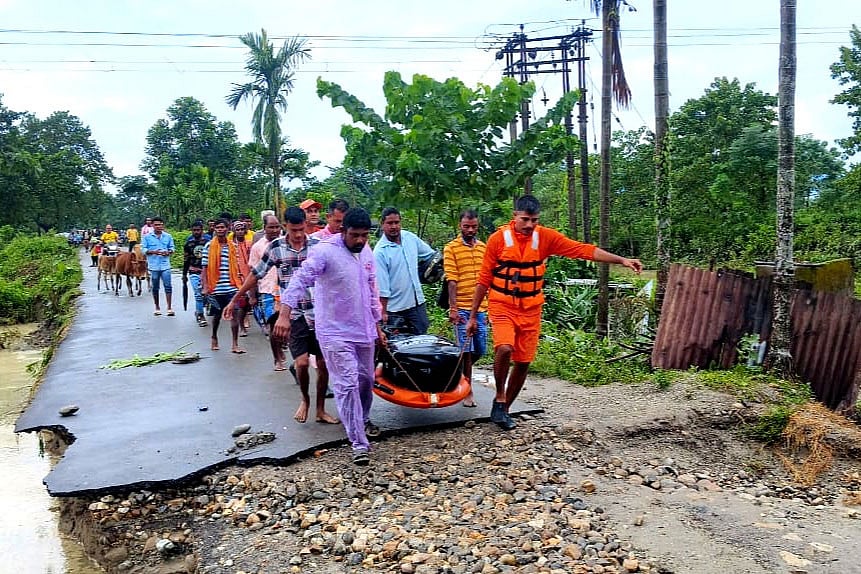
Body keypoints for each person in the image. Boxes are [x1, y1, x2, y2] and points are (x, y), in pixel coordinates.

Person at [466, 195, 643, 430]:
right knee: (504, 347)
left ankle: (504, 410)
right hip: (502, 305)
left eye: (534, 220)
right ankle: (499, 396)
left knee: (523, 362)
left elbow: (582, 250)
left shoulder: (545, 237)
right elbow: (484, 279)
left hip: (531, 308)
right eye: (525, 219)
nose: (530, 225)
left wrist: (621, 260)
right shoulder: (498, 239)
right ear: (515, 217)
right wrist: (472, 316)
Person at [278, 207, 386, 466]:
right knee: (347, 383)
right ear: (342, 231)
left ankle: (362, 418)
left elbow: (372, 289)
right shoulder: (325, 251)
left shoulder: (367, 252)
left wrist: (378, 324)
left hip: (364, 330)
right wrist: (284, 313)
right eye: (354, 235)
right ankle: (358, 443)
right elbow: (300, 279)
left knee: (365, 380)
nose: (360, 240)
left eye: (364, 235)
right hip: (334, 332)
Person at [227, 208, 338, 426]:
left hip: (320, 314)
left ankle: (320, 409)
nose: (298, 234)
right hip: (293, 315)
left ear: (306, 225)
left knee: (324, 365)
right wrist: (235, 299)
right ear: (285, 226)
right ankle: (305, 399)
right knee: (303, 363)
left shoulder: (318, 247)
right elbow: (256, 274)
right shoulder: (276, 248)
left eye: (301, 229)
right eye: (294, 229)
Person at [443, 209, 487, 408]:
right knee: (467, 351)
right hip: (461, 307)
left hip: (481, 308)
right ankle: (467, 390)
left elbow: (488, 279)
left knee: (480, 348)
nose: (470, 230)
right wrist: (453, 308)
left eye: (474, 226)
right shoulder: (451, 248)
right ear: (460, 226)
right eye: (466, 226)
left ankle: (456, 370)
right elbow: (451, 280)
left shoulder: (483, 248)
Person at [373, 207, 436, 335]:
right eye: (390, 223)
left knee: (422, 341)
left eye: (396, 222)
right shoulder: (380, 252)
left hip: (416, 303)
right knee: (398, 347)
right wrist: (383, 312)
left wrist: (427, 273)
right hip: (394, 309)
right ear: (382, 224)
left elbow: (430, 255)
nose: (394, 226)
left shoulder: (409, 238)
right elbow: (383, 288)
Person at [239, 214, 287, 370]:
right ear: (264, 228)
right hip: (267, 291)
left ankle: (284, 349)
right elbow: (253, 272)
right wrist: (252, 295)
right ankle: (277, 357)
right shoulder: (258, 247)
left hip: (286, 290)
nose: (274, 230)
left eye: (277, 226)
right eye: (271, 227)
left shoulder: (288, 243)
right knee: (273, 326)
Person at [201, 219, 245, 353]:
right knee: (217, 315)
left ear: (227, 229)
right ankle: (214, 336)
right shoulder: (209, 246)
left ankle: (235, 344)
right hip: (216, 287)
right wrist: (205, 286)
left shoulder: (233, 246)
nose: (220, 230)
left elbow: (237, 266)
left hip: (232, 285)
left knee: (235, 314)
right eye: (217, 227)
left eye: (222, 227)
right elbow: (204, 267)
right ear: (214, 229)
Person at [140, 216, 176, 316]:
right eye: (156, 225)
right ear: (152, 226)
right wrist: (152, 252)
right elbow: (143, 249)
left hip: (165, 265)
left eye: (160, 224)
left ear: (163, 225)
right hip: (153, 265)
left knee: (168, 286)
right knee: (155, 287)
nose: (158, 226)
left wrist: (168, 252)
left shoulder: (168, 236)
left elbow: (172, 248)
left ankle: (169, 307)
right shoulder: (147, 237)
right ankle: (157, 307)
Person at [183, 220, 211, 327]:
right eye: (194, 230)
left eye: (198, 230)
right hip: (194, 271)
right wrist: (184, 275)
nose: (196, 232)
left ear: (202, 230)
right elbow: (186, 260)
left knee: (206, 294)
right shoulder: (188, 244)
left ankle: (202, 308)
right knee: (198, 294)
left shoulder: (208, 243)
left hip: (206, 272)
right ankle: (200, 315)